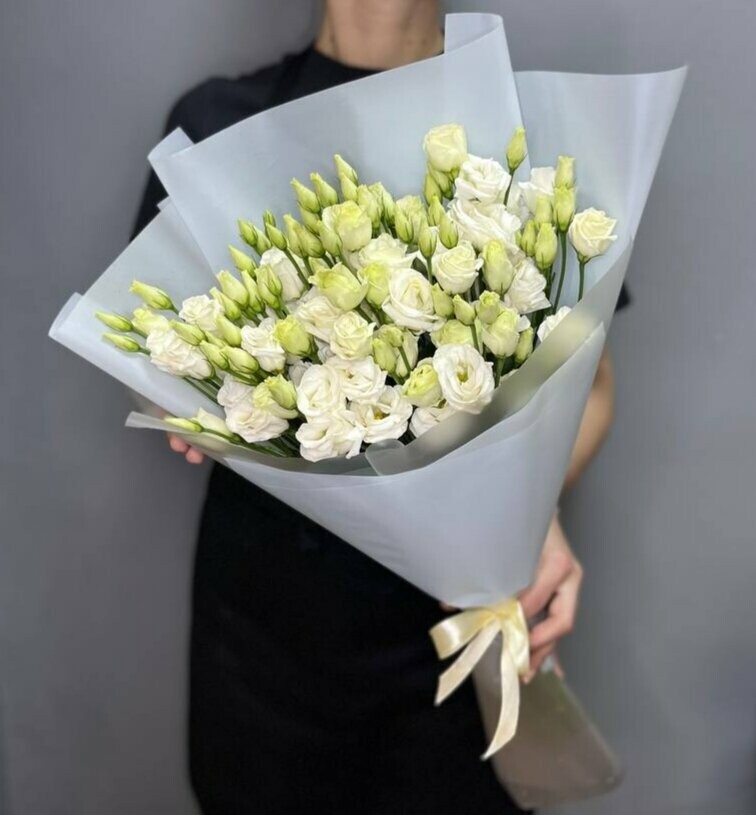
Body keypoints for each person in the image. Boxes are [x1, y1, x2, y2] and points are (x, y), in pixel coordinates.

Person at [132, 1, 629, 812]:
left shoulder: (523, 128)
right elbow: (157, 353)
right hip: (266, 644)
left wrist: (531, 505)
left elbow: (595, 384)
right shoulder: (216, 122)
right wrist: (190, 404)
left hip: (451, 634)